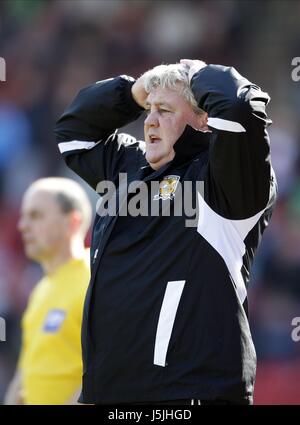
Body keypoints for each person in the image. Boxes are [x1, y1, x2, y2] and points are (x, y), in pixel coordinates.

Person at [54, 59, 277, 405]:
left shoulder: (222, 182)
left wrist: (195, 73)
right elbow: (73, 133)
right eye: (148, 110)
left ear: (203, 120)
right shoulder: (127, 167)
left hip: (190, 396)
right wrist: (135, 91)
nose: (150, 121)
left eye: (166, 111)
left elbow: (238, 107)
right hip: (109, 395)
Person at [4, 177, 92, 405]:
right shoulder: (40, 290)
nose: (22, 225)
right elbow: (26, 371)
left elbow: (111, 369)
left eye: (35, 215)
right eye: (23, 216)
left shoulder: (97, 279)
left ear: (72, 221)